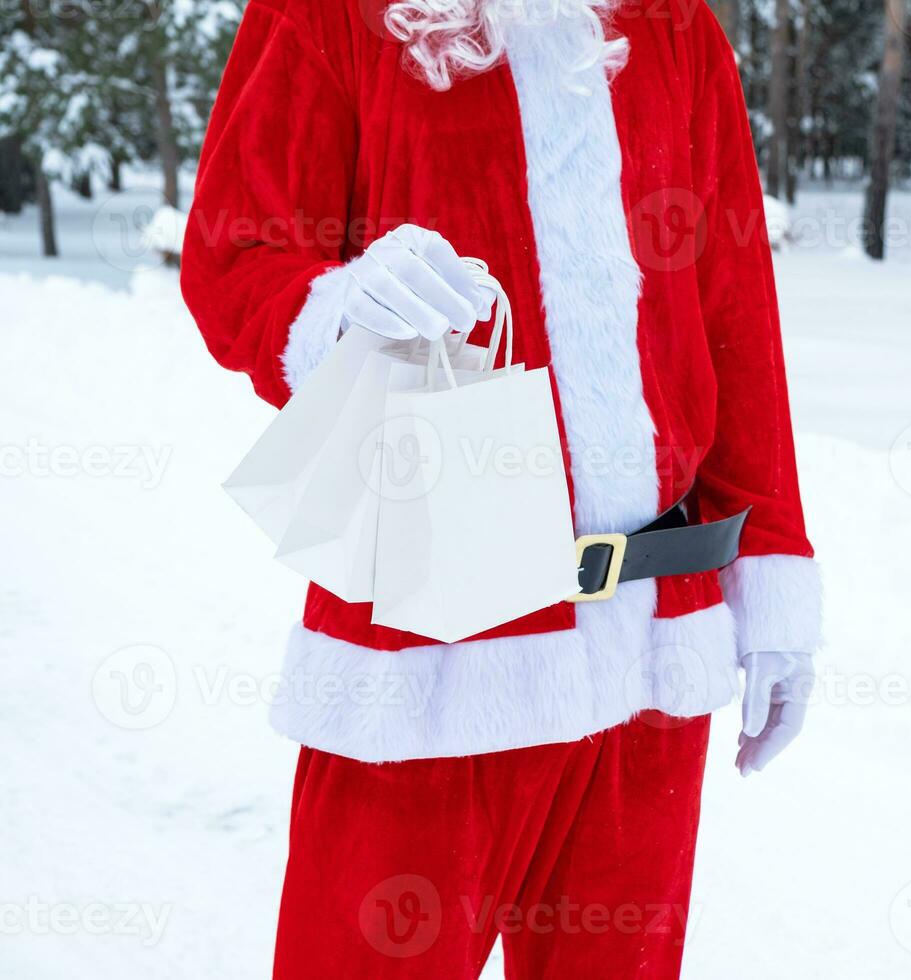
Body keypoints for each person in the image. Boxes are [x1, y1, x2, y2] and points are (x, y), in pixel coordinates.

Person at [180, 0, 821, 976]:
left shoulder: (673, 21)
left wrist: (773, 570)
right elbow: (234, 254)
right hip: (435, 621)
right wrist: (338, 303)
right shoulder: (326, 13)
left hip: (657, 628)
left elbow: (733, 300)